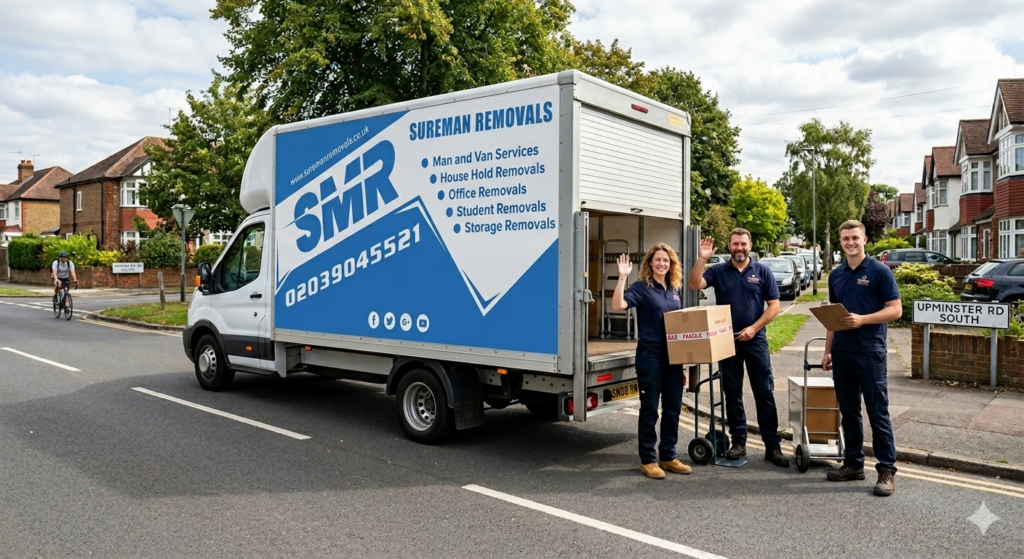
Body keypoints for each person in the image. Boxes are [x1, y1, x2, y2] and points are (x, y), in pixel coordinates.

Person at [688, 228, 790, 468]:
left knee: (764, 393)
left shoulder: (762, 271)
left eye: (743, 244)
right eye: (735, 244)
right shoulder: (718, 271)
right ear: (729, 246)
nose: (740, 248)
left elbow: (774, 306)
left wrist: (753, 328)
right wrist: (702, 259)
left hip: (756, 341)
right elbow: (694, 284)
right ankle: (739, 442)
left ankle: (773, 447)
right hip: (727, 341)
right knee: (732, 394)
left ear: (750, 245)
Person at [822, 220, 902, 497]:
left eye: (854, 237)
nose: (850, 242)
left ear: (865, 239)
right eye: (845, 238)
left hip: (870, 352)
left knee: (877, 412)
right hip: (842, 353)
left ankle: (886, 470)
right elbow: (834, 316)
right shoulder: (836, 274)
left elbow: (896, 310)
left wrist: (863, 320)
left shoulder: (880, 272)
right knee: (849, 412)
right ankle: (854, 464)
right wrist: (828, 350)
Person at [612, 243, 692, 479]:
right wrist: (621, 278)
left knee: (673, 408)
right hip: (651, 356)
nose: (661, 264)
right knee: (650, 409)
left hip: (674, 358)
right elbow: (618, 305)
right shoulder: (641, 288)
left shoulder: (675, 289)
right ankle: (648, 459)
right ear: (650, 262)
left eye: (666, 260)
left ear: (671, 264)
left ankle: (668, 456)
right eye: (657, 259)